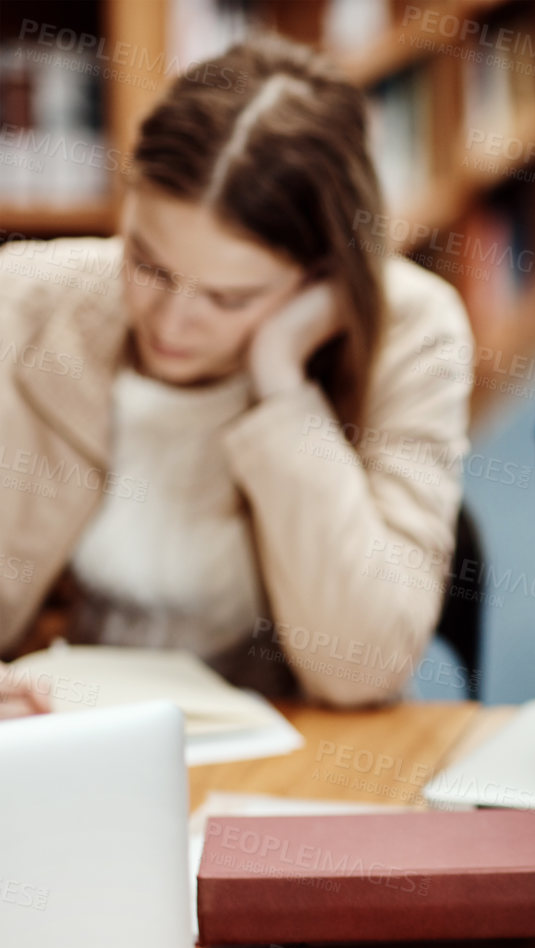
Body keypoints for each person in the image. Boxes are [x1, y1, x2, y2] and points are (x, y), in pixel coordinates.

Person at [0, 36, 474, 708]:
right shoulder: (21, 304)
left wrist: (283, 384)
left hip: (294, 755)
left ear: (324, 277)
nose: (169, 322)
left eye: (229, 298)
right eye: (148, 265)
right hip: (60, 741)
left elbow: (360, 669)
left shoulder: (412, 335)